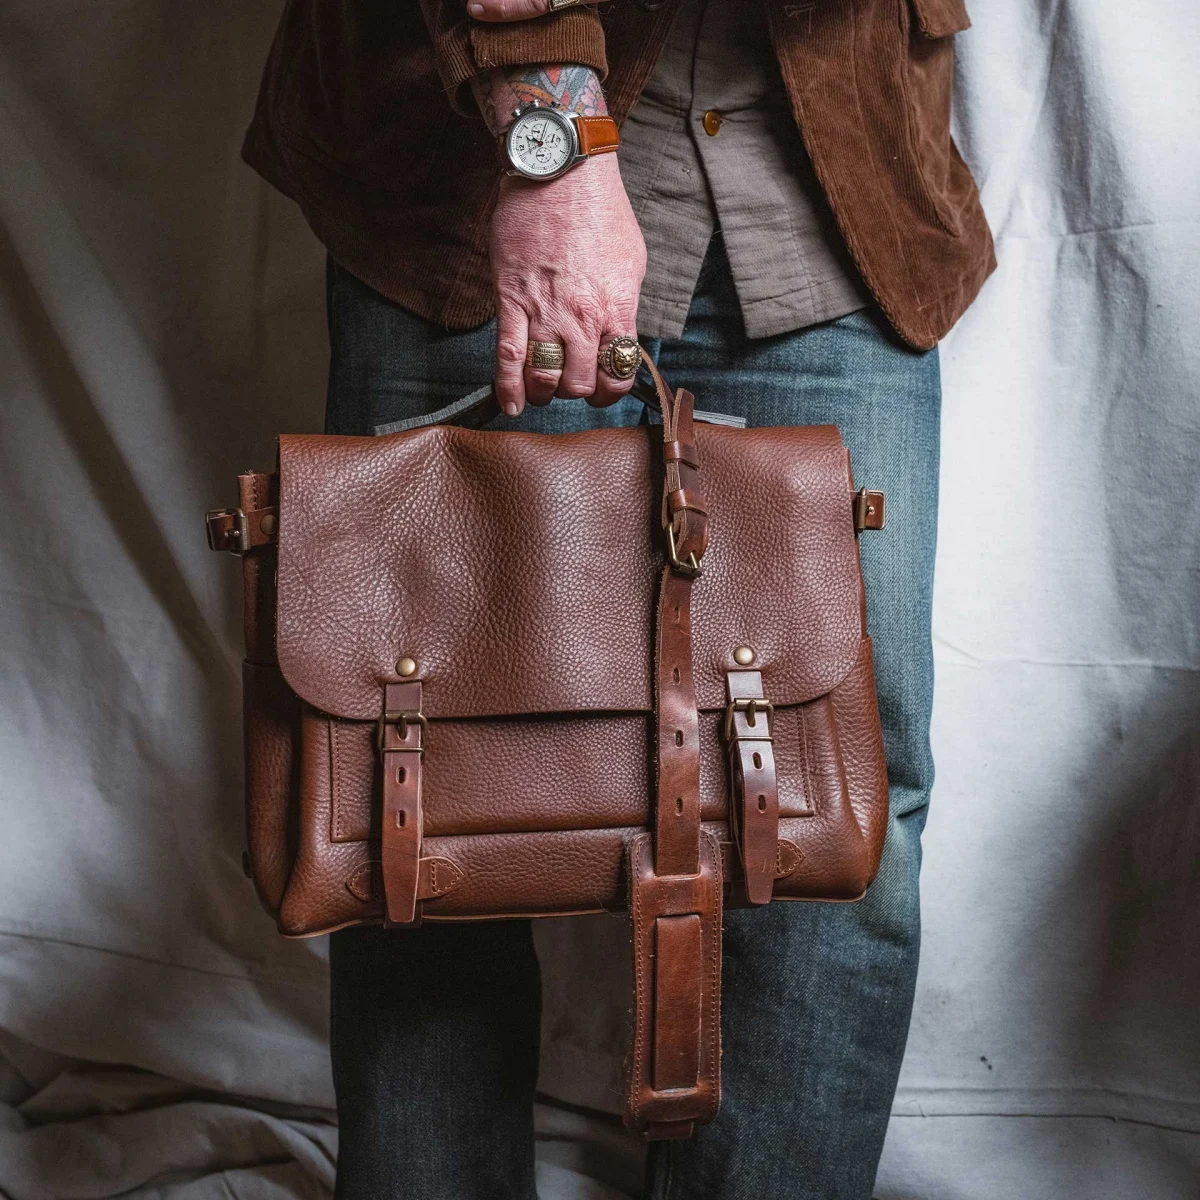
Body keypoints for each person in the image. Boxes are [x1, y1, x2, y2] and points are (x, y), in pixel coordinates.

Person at [243, 0, 994, 1195]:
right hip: (473, 185)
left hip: (833, 189)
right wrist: (552, 145)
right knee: (410, 793)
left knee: (842, 807)